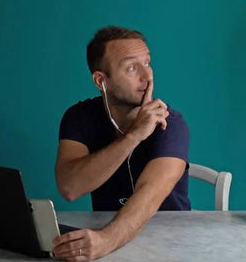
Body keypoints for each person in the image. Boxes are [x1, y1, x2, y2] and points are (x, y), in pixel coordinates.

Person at [53, 26, 190, 261]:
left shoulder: (171, 123)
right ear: (101, 80)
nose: (147, 77)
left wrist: (106, 241)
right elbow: (70, 187)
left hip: (169, 242)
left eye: (147, 63)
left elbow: (150, 195)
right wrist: (133, 136)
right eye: (132, 67)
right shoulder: (79, 117)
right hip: (106, 232)